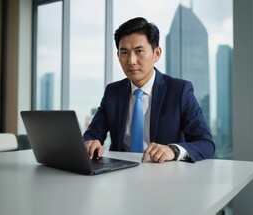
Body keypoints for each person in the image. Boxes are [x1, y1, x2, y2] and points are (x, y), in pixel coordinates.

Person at [83, 17, 215, 163]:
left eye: (139, 51)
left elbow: (206, 144)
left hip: (165, 177)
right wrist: (90, 143)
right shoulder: (113, 92)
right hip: (120, 174)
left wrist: (173, 150)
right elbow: (92, 135)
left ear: (156, 54)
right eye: (124, 53)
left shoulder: (179, 91)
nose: (131, 61)